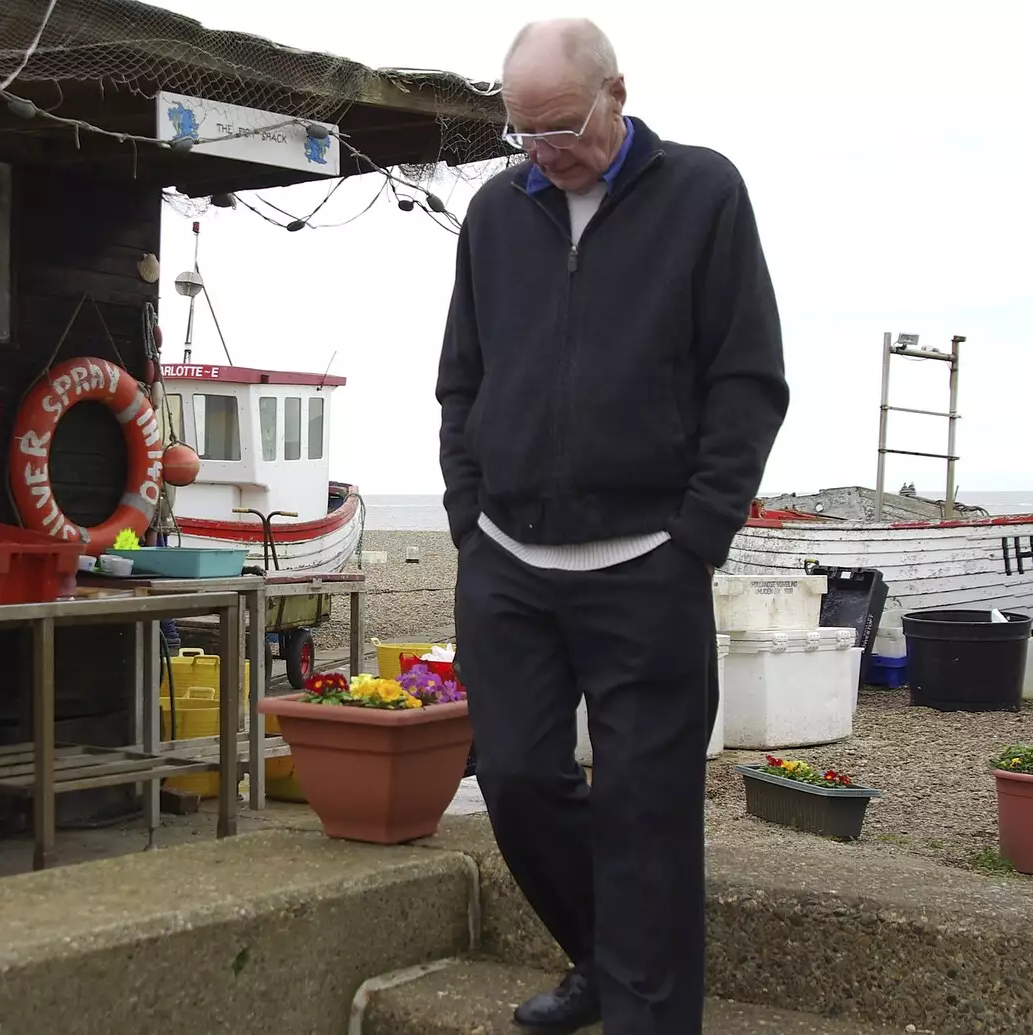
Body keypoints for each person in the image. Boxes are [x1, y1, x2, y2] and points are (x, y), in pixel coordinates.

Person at [436, 18, 788, 1035]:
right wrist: (465, 514)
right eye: (522, 132)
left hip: (647, 562)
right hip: (506, 559)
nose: (544, 150)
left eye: (559, 126)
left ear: (616, 94)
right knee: (512, 778)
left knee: (646, 815)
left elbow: (746, 378)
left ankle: (645, 1013)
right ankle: (602, 958)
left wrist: (698, 537)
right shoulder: (494, 216)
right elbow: (462, 380)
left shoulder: (703, 195)